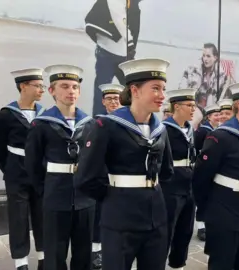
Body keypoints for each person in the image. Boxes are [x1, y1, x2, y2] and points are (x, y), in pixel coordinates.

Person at [74, 58, 173, 270]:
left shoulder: (161, 130)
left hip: (156, 219)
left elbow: (165, 172)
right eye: (155, 88)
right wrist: (113, 197)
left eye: (163, 89)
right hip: (120, 220)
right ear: (135, 90)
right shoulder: (106, 126)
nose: (162, 95)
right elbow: (85, 177)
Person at [25, 65, 95, 270]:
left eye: (75, 87)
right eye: (64, 86)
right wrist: (45, 190)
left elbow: (96, 160)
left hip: (85, 198)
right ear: (52, 91)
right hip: (55, 195)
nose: (71, 91)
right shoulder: (41, 124)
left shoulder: (90, 124)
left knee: (84, 252)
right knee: (55, 253)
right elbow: (32, 164)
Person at [193, 81, 239, 270]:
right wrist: (210, 212)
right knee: (222, 264)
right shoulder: (221, 137)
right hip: (226, 215)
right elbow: (201, 178)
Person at [0, 68, 46, 270]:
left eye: (42, 86)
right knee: (19, 218)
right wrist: (10, 168)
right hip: (17, 174)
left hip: (39, 174)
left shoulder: (44, 115)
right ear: (23, 86)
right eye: (37, 86)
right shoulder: (6, 115)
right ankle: (21, 262)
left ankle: (43, 257)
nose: (42, 90)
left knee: (42, 216)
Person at [161, 89, 197, 270]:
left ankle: (178, 264)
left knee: (185, 230)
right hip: (170, 186)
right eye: (189, 105)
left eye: (194, 105)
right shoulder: (164, 129)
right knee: (165, 231)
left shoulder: (189, 129)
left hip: (188, 186)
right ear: (176, 106)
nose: (193, 109)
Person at [85, 0, 142, 115]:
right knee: (103, 89)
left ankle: (131, 118)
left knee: (133, 89)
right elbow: (119, 21)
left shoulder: (133, 3)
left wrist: (130, 49)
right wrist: (130, 44)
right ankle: (99, 122)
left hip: (121, 52)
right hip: (109, 50)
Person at [90, 83, 124, 269]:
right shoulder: (96, 123)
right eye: (109, 98)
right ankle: (96, 250)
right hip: (102, 177)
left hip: (122, 179)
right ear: (103, 101)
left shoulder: (128, 123)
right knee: (98, 216)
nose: (113, 102)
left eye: (117, 98)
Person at [194, 103, 221, 241]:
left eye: (219, 114)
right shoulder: (204, 131)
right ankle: (200, 227)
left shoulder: (216, 130)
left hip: (212, 166)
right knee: (202, 197)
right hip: (203, 165)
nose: (218, 117)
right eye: (215, 115)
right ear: (209, 117)